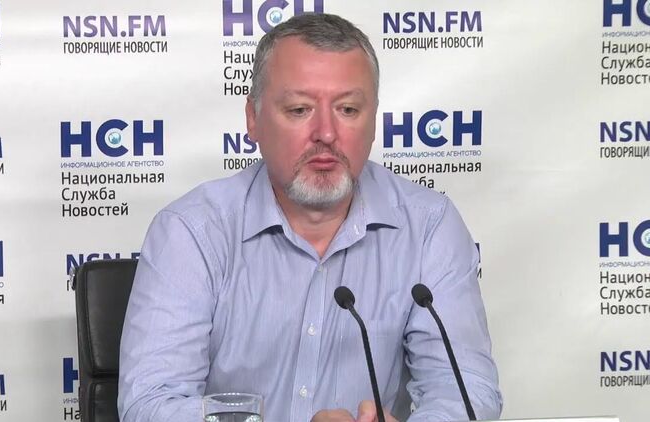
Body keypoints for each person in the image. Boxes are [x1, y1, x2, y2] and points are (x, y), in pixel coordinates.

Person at [118, 13, 502, 422]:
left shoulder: (429, 227)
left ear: (374, 120)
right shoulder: (192, 232)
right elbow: (151, 403)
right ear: (253, 118)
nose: (326, 133)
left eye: (348, 109)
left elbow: (466, 390)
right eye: (300, 109)